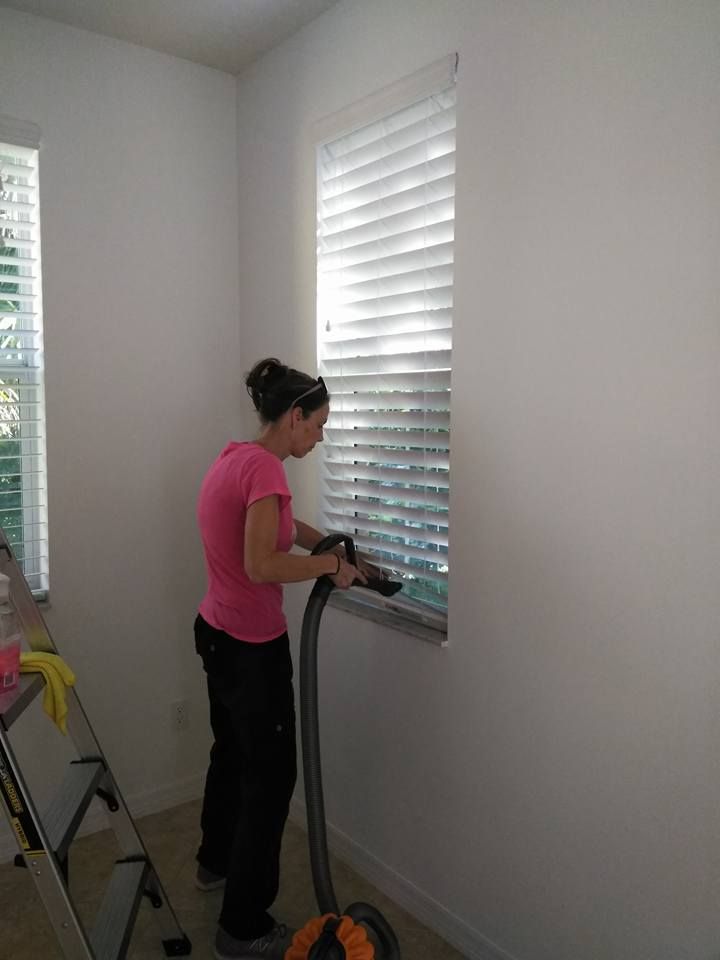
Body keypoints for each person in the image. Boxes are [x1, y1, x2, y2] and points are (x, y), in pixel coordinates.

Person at [194, 357, 366, 960]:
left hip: (215, 632)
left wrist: (331, 546)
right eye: (317, 426)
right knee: (270, 781)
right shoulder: (267, 470)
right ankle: (242, 928)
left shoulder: (236, 458)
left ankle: (214, 863)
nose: (318, 438)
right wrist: (329, 566)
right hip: (251, 649)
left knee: (231, 755)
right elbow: (261, 564)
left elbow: (278, 530)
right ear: (294, 415)